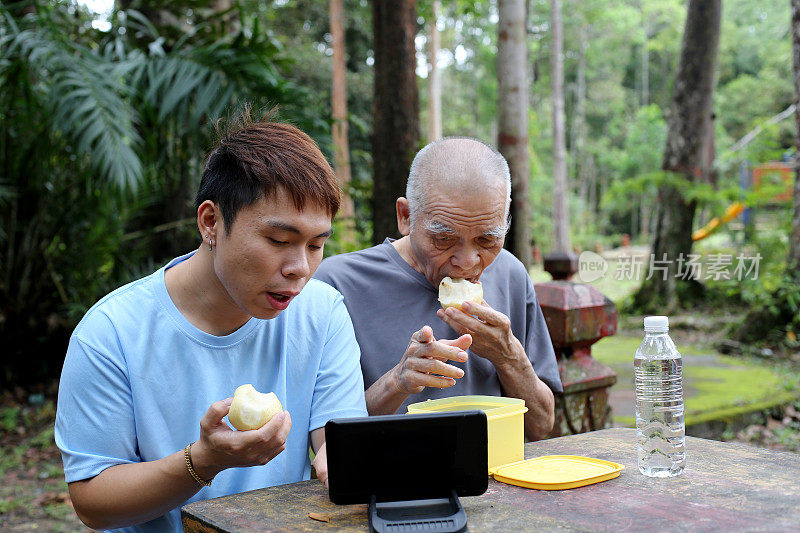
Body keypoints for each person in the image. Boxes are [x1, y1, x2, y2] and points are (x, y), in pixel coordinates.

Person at [54, 110, 367, 532]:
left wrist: (342, 460)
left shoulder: (322, 312)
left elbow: (337, 439)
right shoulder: (111, 333)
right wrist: (203, 461)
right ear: (210, 222)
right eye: (279, 240)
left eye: (315, 245)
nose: (300, 268)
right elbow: (92, 501)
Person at [314, 137, 561, 441]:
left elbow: (541, 425)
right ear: (405, 217)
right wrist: (397, 381)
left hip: (495, 484)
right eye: (444, 240)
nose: (467, 262)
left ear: (505, 215)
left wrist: (508, 355)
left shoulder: (510, 273)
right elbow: (324, 445)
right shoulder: (337, 285)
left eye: (486, 240)